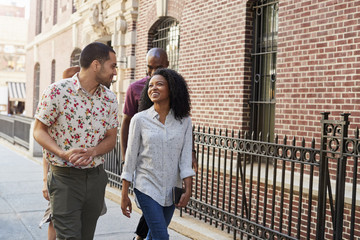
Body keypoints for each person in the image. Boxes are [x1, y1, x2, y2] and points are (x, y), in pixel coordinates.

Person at [33, 42, 119, 240]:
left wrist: (93, 152)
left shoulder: (110, 99)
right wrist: (62, 153)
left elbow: (111, 138)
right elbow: (38, 131)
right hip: (64, 179)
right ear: (96, 65)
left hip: (96, 178)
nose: (114, 72)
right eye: (112, 66)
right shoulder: (57, 91)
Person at [120, 48, 198, 240]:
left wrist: (188, 189)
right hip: (146, 186)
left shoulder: (184, 121)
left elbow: (186, 157)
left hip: (172, 187)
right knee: (161, 236)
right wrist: (124, 193)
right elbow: (130, 159)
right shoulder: (140, 120)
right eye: (151, 85)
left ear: (171, 87)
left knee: (153, 236)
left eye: (159, 84)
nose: (153, 87)